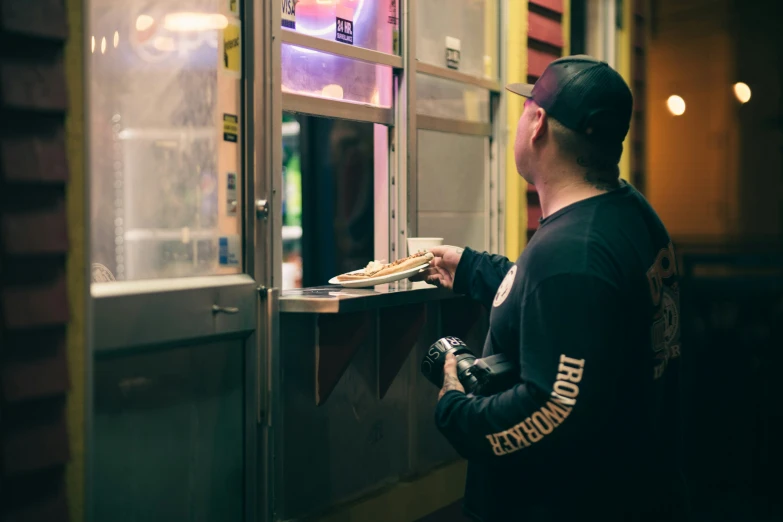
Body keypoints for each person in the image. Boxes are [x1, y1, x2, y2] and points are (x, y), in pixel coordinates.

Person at [412, 55, 688, 522]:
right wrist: (474, 269)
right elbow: (581, 316)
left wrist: (456, 412)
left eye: (525, 107)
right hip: (633, 487)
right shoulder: (629, 214)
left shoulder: (570, 254)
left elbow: (553, 410)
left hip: (557, 502)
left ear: (537, 122)